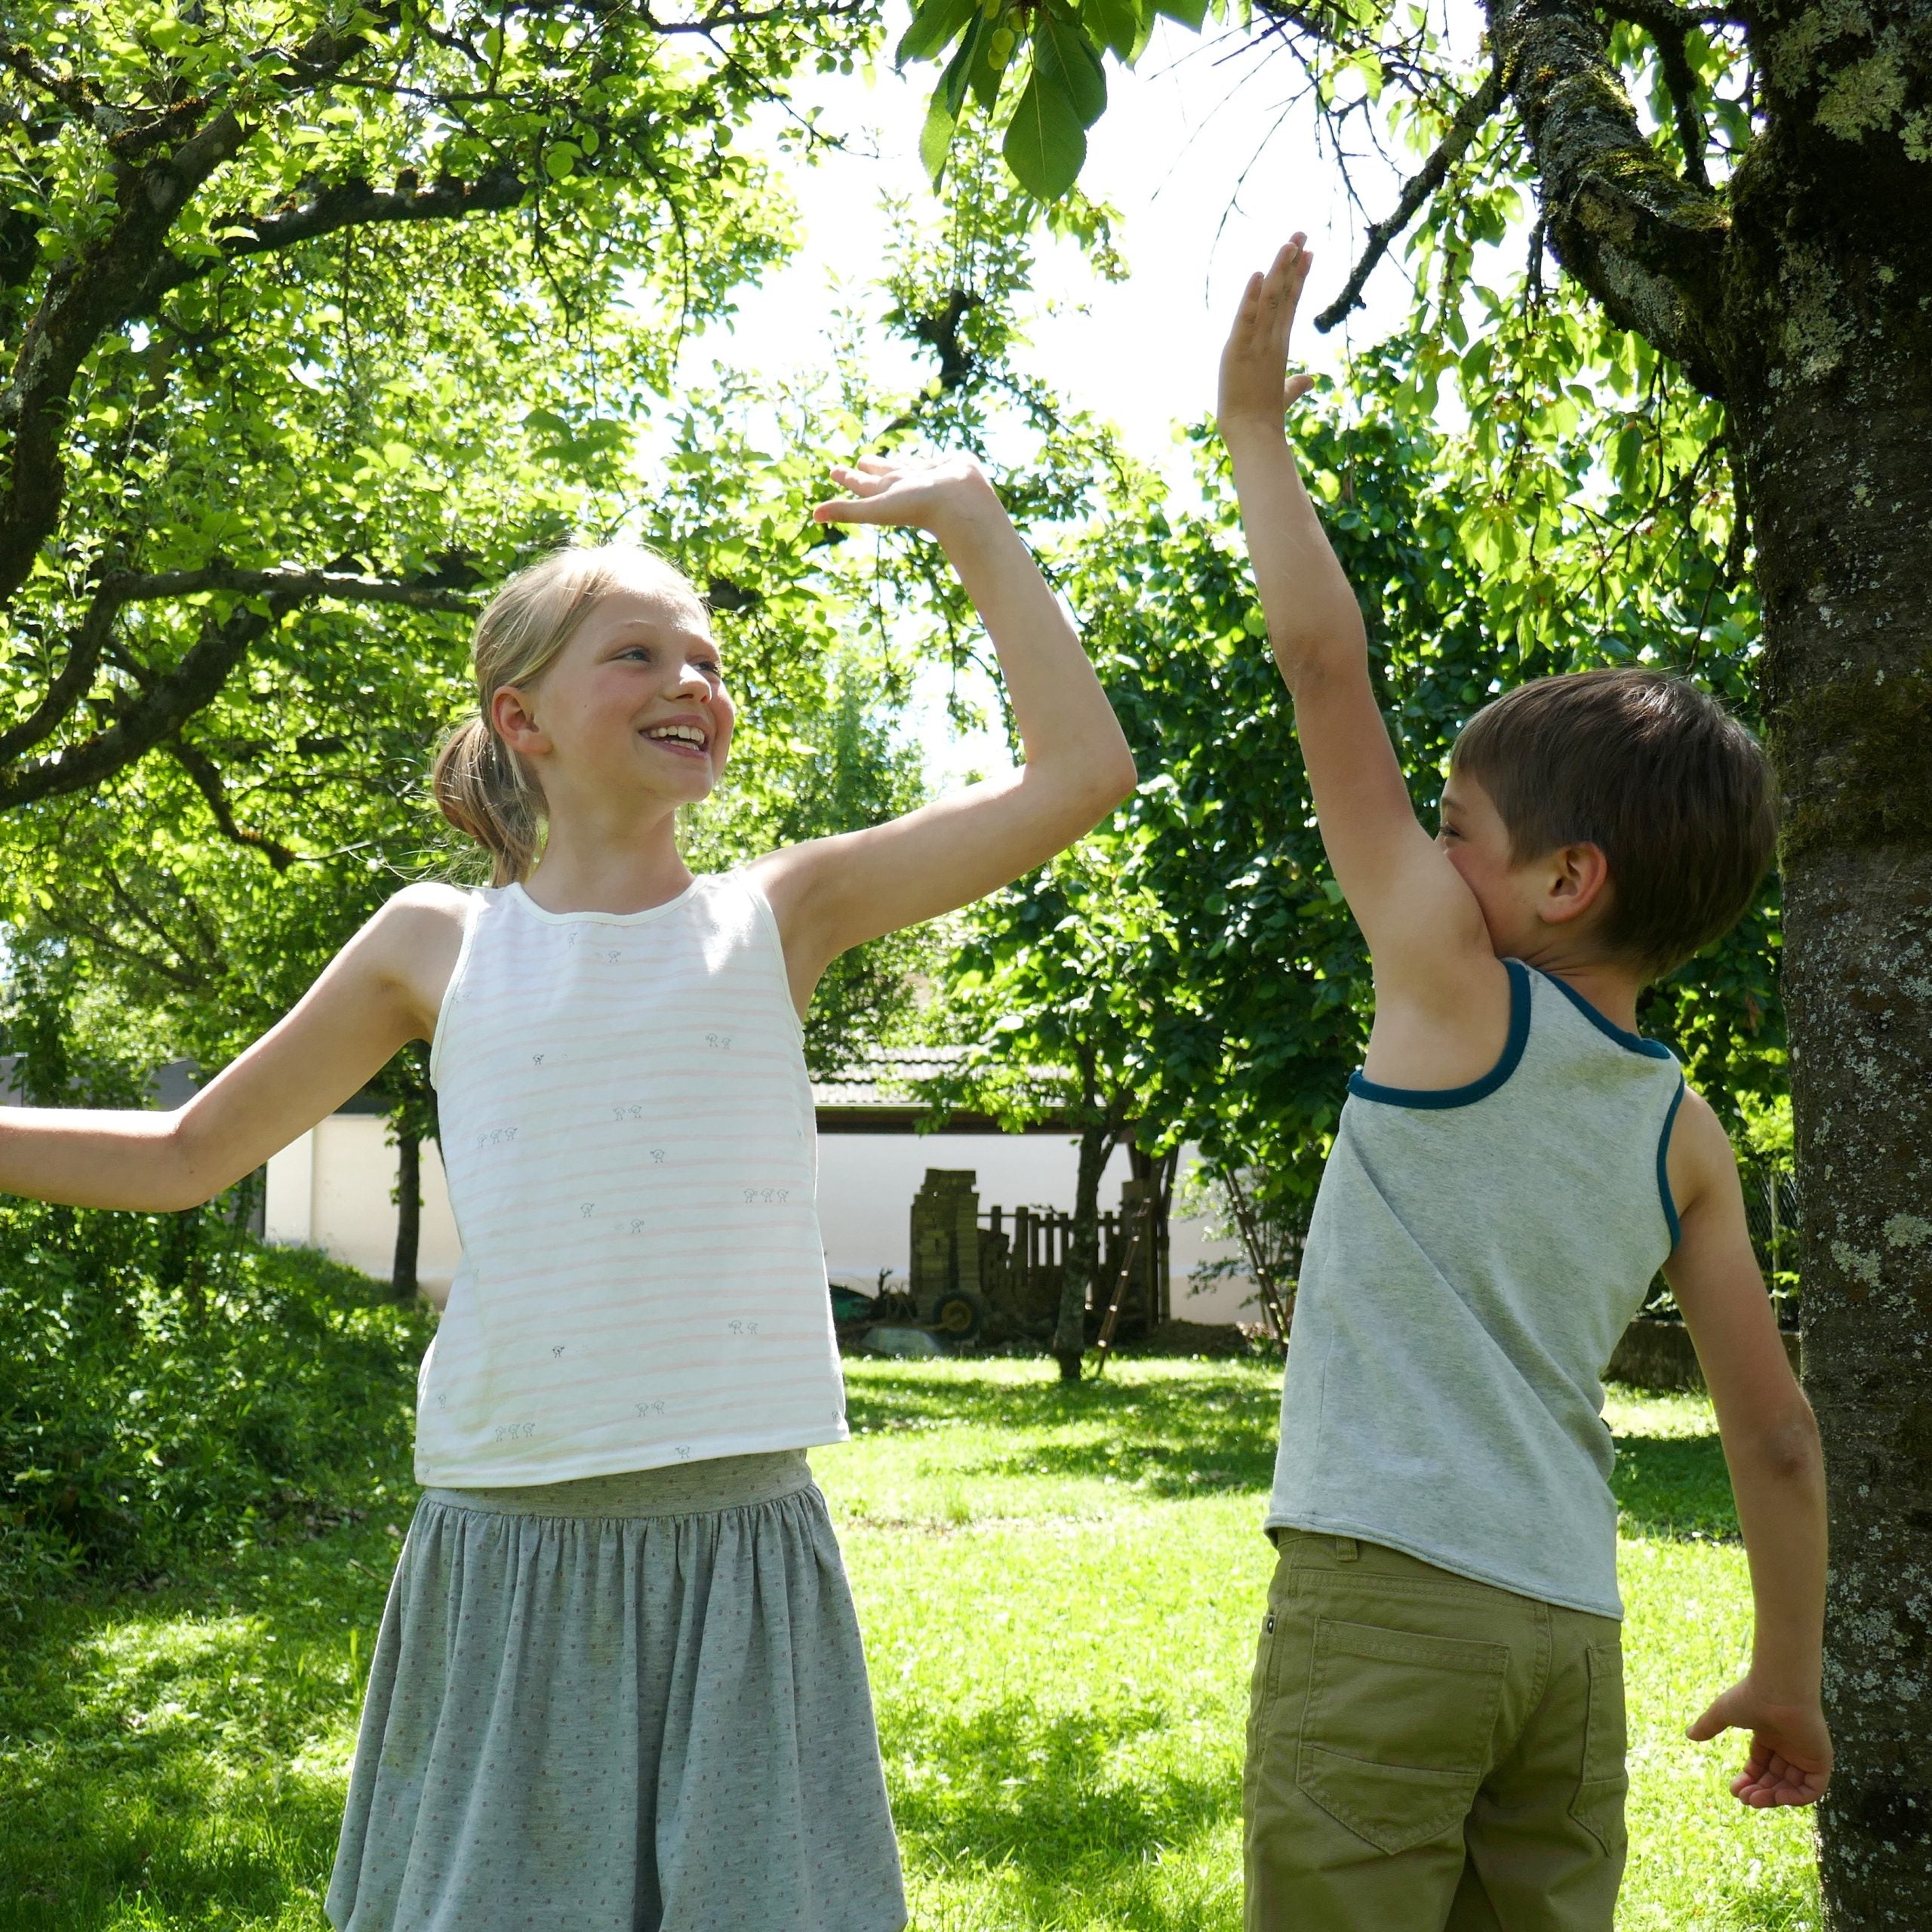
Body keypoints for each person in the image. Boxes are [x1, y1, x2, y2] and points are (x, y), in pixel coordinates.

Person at [0, 451, 1136, 1930]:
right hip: (510, 1544)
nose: (693, 681)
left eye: (707, 659)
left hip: (737, 1543)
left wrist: (971, 519)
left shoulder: (780, 912)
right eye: (639, 653)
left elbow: (1081, 776)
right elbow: (184, 1156)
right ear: (519, 719)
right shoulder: (434, 943)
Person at [1216, 236, 1831, 1932]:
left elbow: (1322, 672)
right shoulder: (1683, 1132)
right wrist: (1786, 1669)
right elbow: (1775, 1434)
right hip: (1569, 1632)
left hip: (1384, 1605)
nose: (1424, 855)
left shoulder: (1450, 988)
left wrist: (1254, 430)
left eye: (1455, 830)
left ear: (1561, 882)